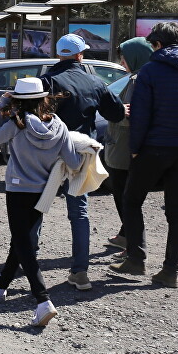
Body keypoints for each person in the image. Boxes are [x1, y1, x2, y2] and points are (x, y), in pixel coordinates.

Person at [109, 21, 178, 288]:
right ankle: (170, 271)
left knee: (132, 202)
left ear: (157, 44)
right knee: (177, 212)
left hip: (153, 149)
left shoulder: (150, 72)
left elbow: (140, 116)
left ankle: (136, 259)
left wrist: (134, 149)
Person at [0, 78, 85, 327]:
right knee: (21, 240)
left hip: (17, 190)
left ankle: (43, 300)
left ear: (18, 100)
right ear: (44, 98)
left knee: (23, 243)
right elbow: (74, 163)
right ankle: (0, 285)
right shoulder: (60, 126)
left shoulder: (17, 124)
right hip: (44, 191)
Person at [40, 33, 127, 290]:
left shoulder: (47, 81)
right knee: (79, 213)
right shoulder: (94, 81)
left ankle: (27, 264)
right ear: (81, 55)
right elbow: (116, 112)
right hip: (80, 154)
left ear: (59, 54)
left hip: (49, 154)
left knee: (35, 208)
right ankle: (80, 273)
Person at [104, 37, 155, 253]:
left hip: (125, 148)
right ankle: (126, 235)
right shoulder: (138, 77)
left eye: (124, 58)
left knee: (124, 196)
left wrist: (114, 113)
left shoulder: (139, 80)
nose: (122, 62)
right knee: (125, 195)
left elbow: (134, 114)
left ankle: (133, 244)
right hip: (123, 146)